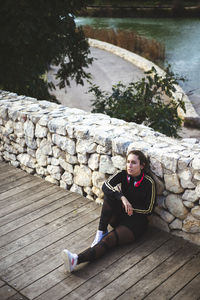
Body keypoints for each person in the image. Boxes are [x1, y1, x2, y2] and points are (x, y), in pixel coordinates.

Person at [62, 150, 156, 272]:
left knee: (110, 240)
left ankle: (76, 259)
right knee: (110, 196)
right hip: (122, 215)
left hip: (135, 223)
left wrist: (130, 207)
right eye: (128, 162)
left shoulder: (149, 182)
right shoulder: (123, 174)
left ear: (142, 165)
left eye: (133, 163)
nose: (129, 165)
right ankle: (101, 231)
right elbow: (106, 186)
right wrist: (122, 198)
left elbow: (149, 209)